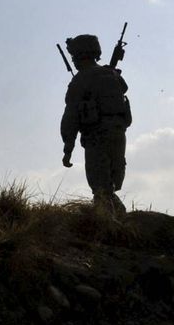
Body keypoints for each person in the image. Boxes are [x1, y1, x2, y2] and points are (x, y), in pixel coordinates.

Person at [60, 34, 133, 214]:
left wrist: (68, 147)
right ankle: (116, 219)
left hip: (96, 136)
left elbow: (71, 116)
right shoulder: (112, 74)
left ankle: (110, 224)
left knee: (101, 188)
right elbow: (123, 89)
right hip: (118, 134)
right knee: (110, 185)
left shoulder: (80, 80)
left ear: (78, 56)